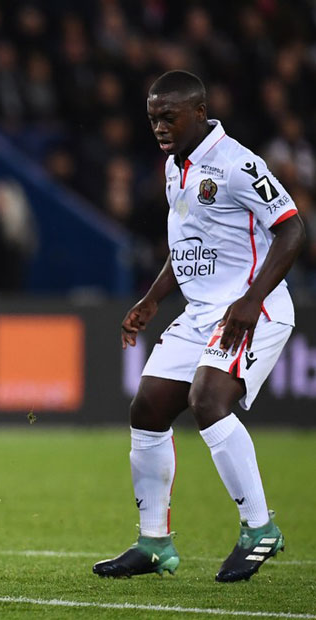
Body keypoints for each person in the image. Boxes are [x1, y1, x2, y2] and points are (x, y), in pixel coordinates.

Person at [93, 70, 304, 582]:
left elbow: (293, 227)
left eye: (168, 116)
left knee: (208, 400)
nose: (159, 126)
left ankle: (260, 528)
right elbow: (187, 247)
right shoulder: (175, 167)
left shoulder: (237, 163)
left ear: (199, 111)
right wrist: (150, 299)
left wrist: (253, 299)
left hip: (255, 307)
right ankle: (153, 542)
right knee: (146, 409)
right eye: (152, 118)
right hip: (202, 311)